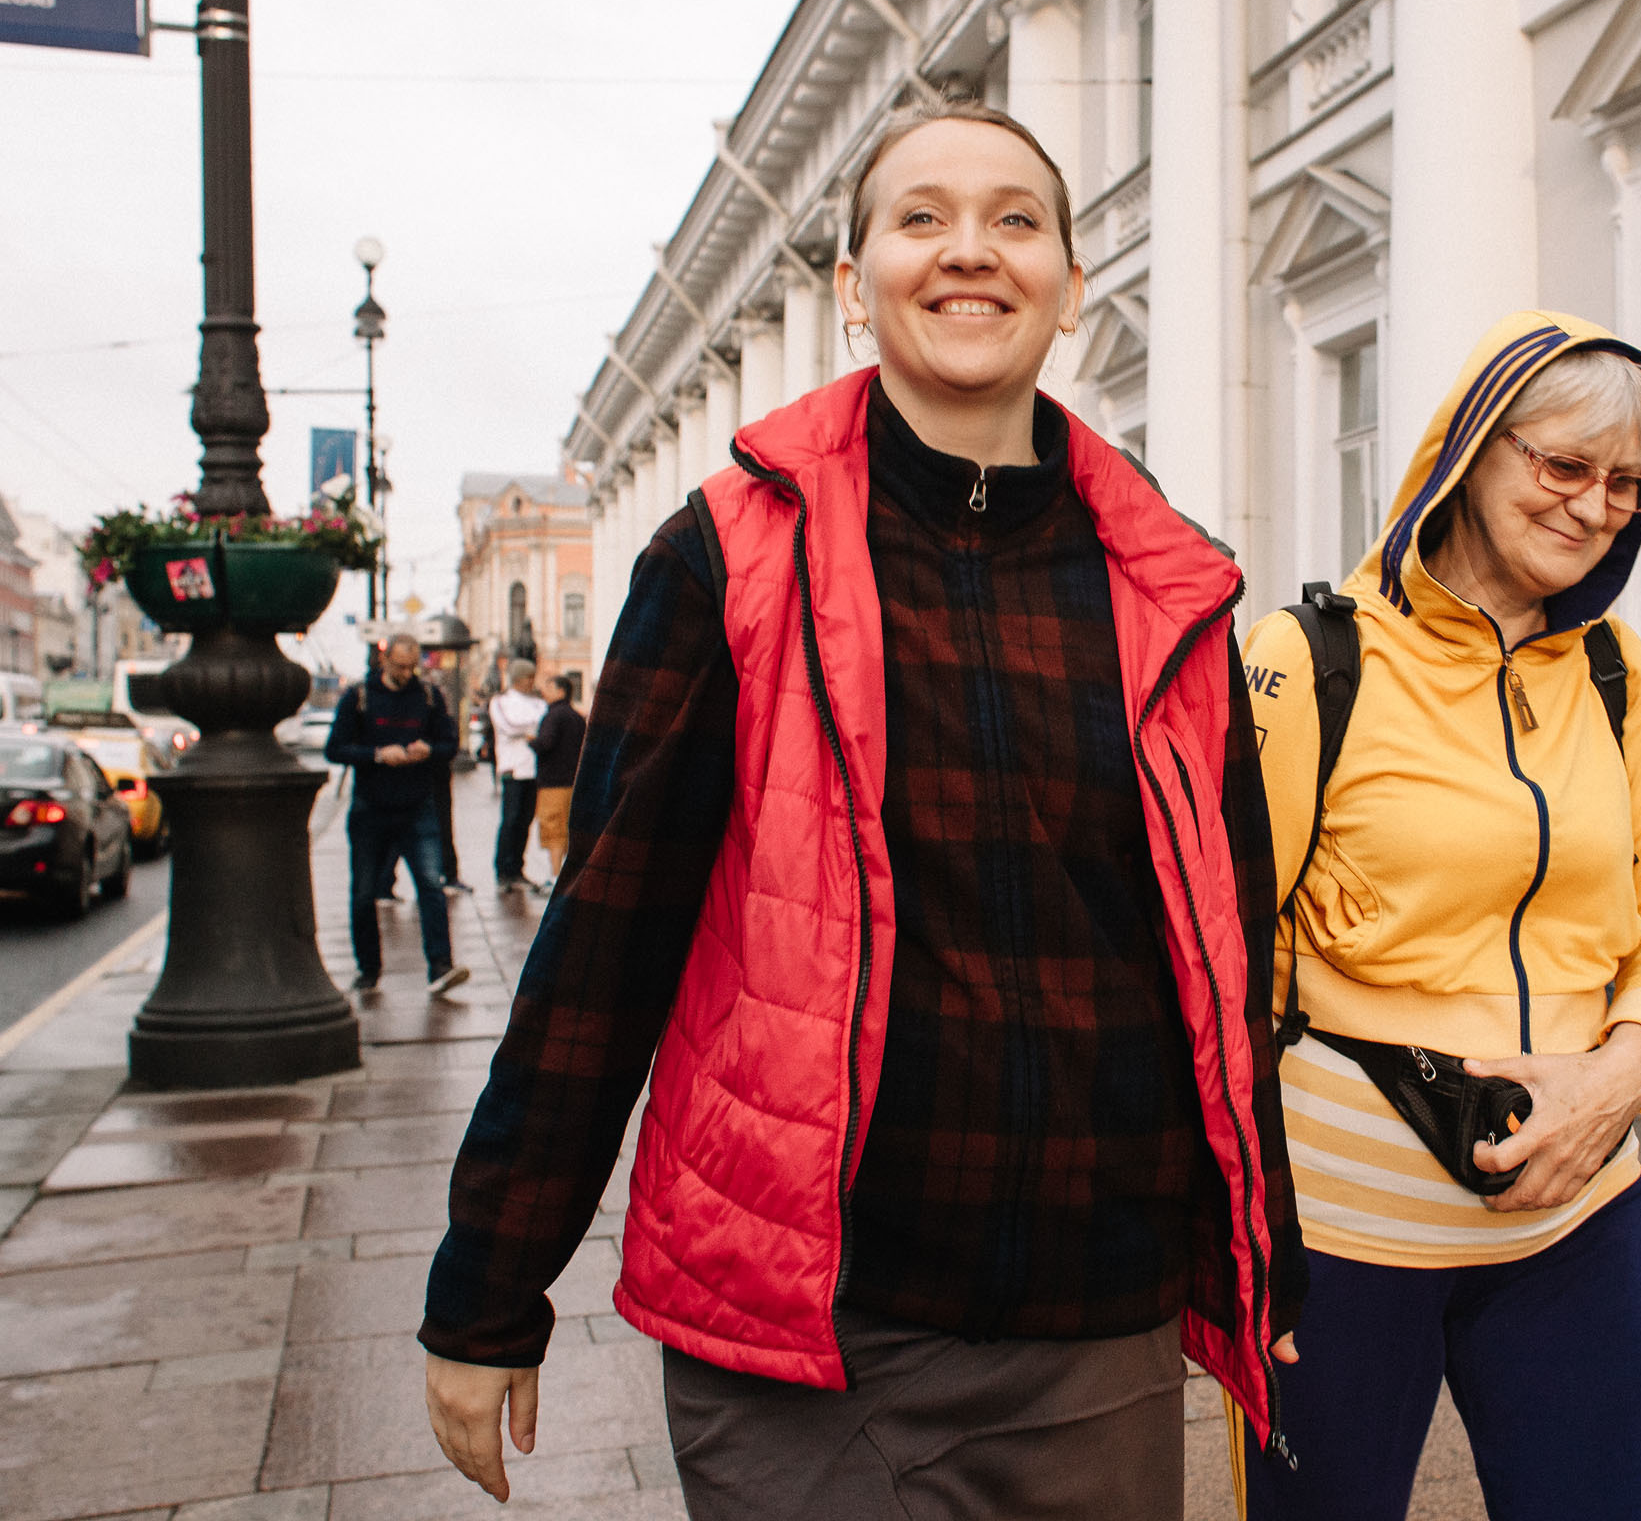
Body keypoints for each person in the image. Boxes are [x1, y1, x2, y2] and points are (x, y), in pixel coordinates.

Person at [419, 100, 1303, 1520]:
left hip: (1097, 1322)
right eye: (922, 217)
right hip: (816, 1331)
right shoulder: (726, 556)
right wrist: (489, 1284)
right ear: (852, 286)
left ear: (1074, 288)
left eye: (1018, 220)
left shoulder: (1167, 583)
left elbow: (1226, 958)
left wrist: (1267, 1250)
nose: (972, 251)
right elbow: (604, 943)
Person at [1241, 312, 1641, 1520]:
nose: (1594, 505)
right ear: (1468, 453)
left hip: (1582, 1219)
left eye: (1626, 482)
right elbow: (1222, 960)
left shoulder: (1619, 670)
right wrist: (1231, 1236)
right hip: (1343, 1241)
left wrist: (1623, 1074)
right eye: (1562, 465)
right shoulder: (1311, 661)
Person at [323, 634, 470, 996]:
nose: (408, 673)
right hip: (370, 810)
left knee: (431, 888)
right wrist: (376, 755)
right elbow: (335, 749)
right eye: (401, 666)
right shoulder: (359, 697)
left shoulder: (428, 697)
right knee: (362, 894)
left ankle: (440, 966)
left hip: (417, 807)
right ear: (385, 659)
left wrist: (430, 749)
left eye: (413, 666)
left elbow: (450, 745)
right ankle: (369, 969)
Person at [486, 660, 546, 894]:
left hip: (535, 770)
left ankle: (517, 868)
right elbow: (508, 727)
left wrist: (529, 730)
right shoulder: (500, 701)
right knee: (510, 821)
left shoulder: (538, 703)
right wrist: (532, 729)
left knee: (525, 821)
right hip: (513, 769)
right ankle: (503, 870)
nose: (529, 682)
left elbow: (546, 726)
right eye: (525, 678)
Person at [528, 675, 584, 886]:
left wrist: (531, 741)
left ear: (561, 691)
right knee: (568, 828)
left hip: (553, 782)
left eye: (549, 686)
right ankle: (567, 875)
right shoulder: (577, 717)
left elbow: (546, 743)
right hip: (573, 781)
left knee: (553, 829)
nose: (544, 690)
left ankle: (554, 876)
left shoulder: (553, 715)